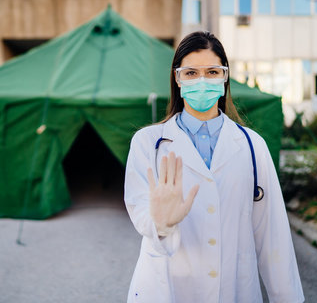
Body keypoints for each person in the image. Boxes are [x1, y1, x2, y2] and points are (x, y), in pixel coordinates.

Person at [124, 31, 304, 303]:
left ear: (225, 76)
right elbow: (140, 213)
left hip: (235, 289)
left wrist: (287, 297)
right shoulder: (148, 143)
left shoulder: (253, 146)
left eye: (212, 71)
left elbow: (272, 235)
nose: (202, 81)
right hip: (168, 288)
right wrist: (161, 223)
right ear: (178, 78)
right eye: (191, 73)